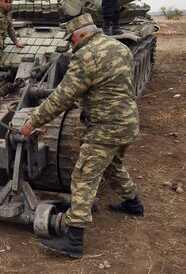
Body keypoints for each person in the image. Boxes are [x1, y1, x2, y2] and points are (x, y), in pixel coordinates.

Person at [21, 13, 144, 258]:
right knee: (112, 166)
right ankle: (133, 203)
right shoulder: (119, 47)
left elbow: (62, 97)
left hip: (105, 127)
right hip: (128, 123)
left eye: (72, 40)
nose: (71, 45)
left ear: (82, 34)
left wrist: (33, 120)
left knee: (83, 176)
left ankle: (74, 240)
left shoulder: (86, 56)